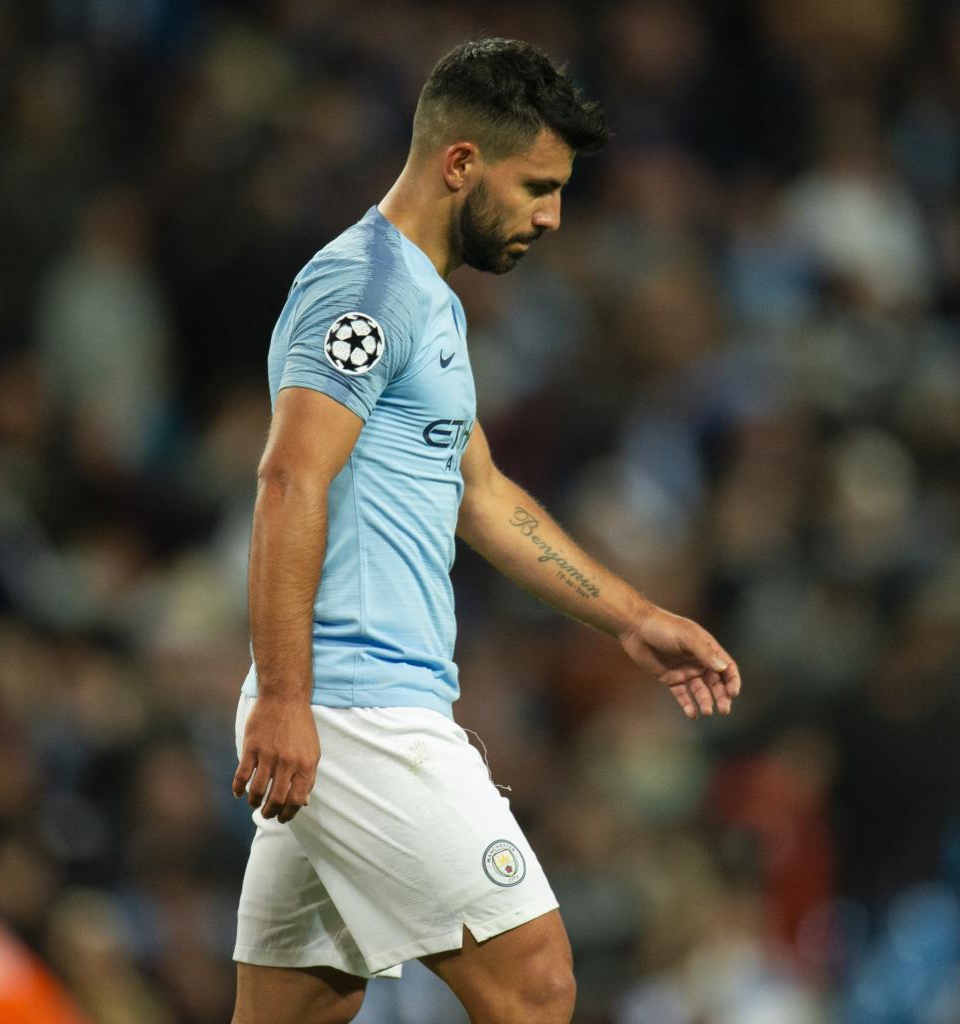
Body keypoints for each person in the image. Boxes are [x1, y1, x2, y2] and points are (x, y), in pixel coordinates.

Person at [228, 38, 742, 1024]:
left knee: (297, 1010)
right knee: (537, 984)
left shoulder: (429, 301)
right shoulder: (363, 291)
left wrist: (633, 618)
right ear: (461, 163)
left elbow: (481, 494)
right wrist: (287, 697)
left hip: (350, 706)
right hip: (356, 707)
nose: (552, 216)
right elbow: (291, 476)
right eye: (538, 187)